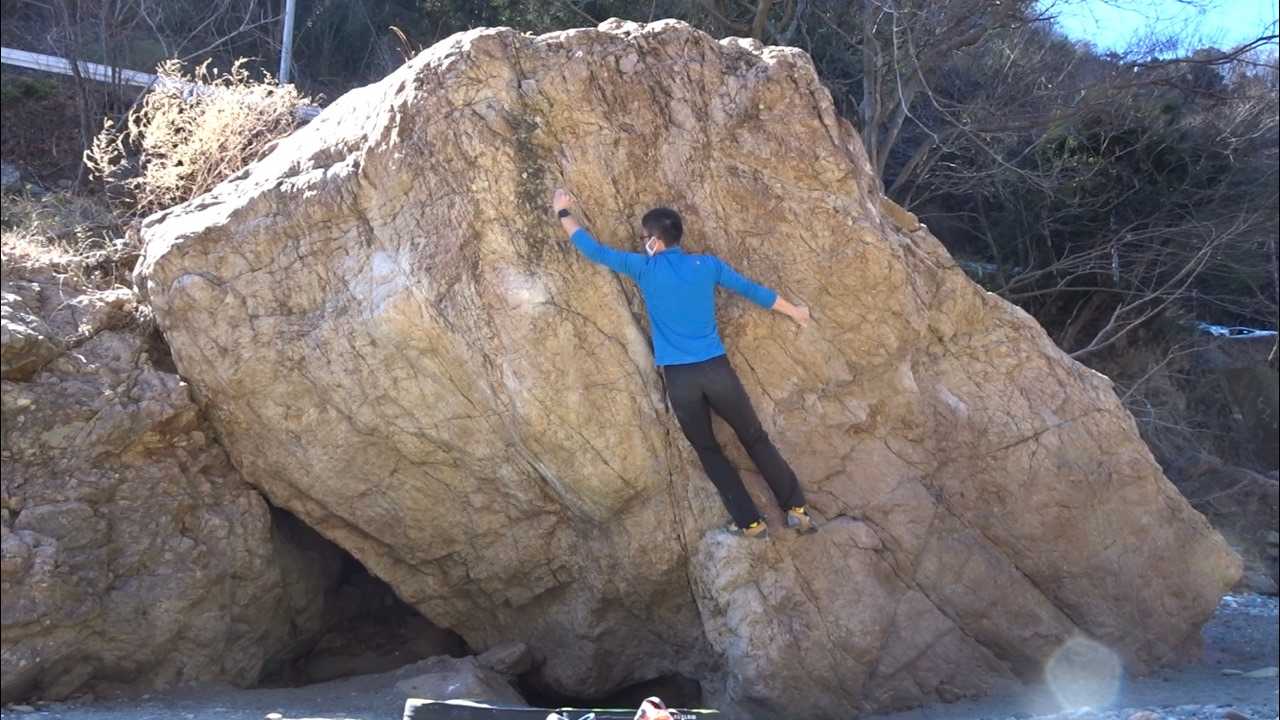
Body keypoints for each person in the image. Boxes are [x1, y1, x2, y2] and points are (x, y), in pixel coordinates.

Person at [552, 189, 816, 538]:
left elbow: (594, 250)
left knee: (708, 449)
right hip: (717, 370)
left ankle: (750, 523)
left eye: (643, 237)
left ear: (655, 241)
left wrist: (563, 212)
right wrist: (795, 312)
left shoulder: (643, 268)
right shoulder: (707, 266)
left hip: (681, 380)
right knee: (754, 437)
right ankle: (796, 509)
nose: (641, 243)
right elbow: (752, 290)